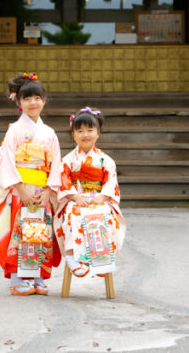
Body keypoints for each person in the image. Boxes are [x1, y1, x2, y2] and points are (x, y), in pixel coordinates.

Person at [0, 72, 62, 296]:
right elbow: (7, 161)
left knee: (41, 232)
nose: (33, 103)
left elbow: (56, 164)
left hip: (41, 192)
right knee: (20, 233)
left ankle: (39, 276)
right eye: (27, 99)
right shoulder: (14, 130)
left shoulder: (49, 133)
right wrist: (20, 189)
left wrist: (49, 190)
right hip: (20, 191)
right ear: (19, 103)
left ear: (44, 100)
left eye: (37, 98)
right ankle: (18, 278)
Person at [56, 107, 125, 278]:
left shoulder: (105, 160)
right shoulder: (67, 160)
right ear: (73, 135)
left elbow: (111, 181)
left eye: (89, 130)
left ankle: (101, 258)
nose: (85, 134)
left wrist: (102, 196)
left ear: (98, 133)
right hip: (75, 198)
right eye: (79, 131)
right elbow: (63, 179)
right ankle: (72, 257)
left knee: (105, 214)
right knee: (73, 213)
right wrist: (74, 196)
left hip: (98, 198)